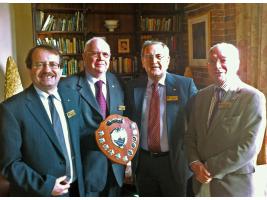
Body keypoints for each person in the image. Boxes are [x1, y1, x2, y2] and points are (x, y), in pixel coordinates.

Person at [0, 45, 85, 196]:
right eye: (39, 64)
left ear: (60, 69)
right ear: (29, 68)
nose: (47, 70)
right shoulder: (11, 109)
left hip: (77, 188)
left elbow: (80, 139)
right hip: (40, 193)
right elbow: (9, 163)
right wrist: (45, 186)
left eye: (53, 64)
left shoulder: (72, 97)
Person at [185, 42, 266, 197]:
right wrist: (195, 164)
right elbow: (190, 136)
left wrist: (208, 168)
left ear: (236, 64)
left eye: (223, 60)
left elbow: (249, 146)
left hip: (234, 187)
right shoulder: (201, 96)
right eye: (212, 61)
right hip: (200, 185)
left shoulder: (253, 97)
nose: (217, 65)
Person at [125, 40, 198, 196]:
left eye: (159, 56)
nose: (154, 61)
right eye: (149, 57)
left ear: (168, 60)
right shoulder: (132, 87)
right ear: (142, 61)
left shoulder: (185, 85)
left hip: (174, 162)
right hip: (143, 163)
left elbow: (197, 125)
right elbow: (127, 124)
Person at [60, 37, 125, 196]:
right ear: (84, 56)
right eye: (95, 54)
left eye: (105, 54)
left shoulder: (118, 83)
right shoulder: (66, 87)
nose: (101, 58)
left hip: (116, 169)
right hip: (85, 170)